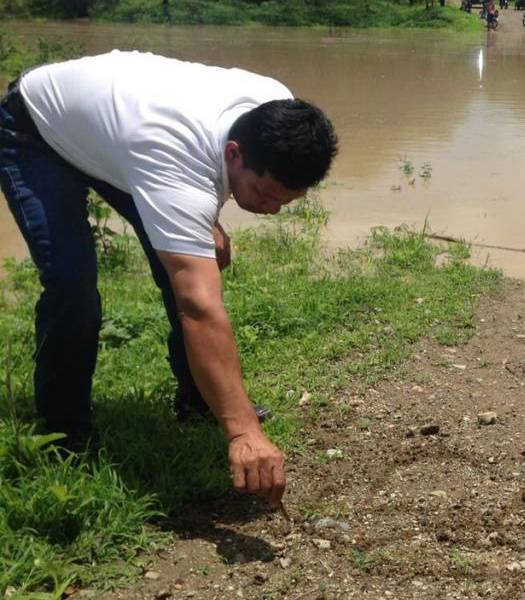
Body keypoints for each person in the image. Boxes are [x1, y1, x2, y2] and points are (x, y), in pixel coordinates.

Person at [0, 51, 337, 508]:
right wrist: (244, 431)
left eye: (286, 202)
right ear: (234, 154)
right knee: (72, 286)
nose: (272, 210)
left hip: (123, 136)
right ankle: (65, 437)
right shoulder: (171, 159)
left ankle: (200, 402)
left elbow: (195, 171)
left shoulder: (275, 105)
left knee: (188, 262)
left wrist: (204, 220)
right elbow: (198, 306)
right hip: (36, 130)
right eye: (263, 193)